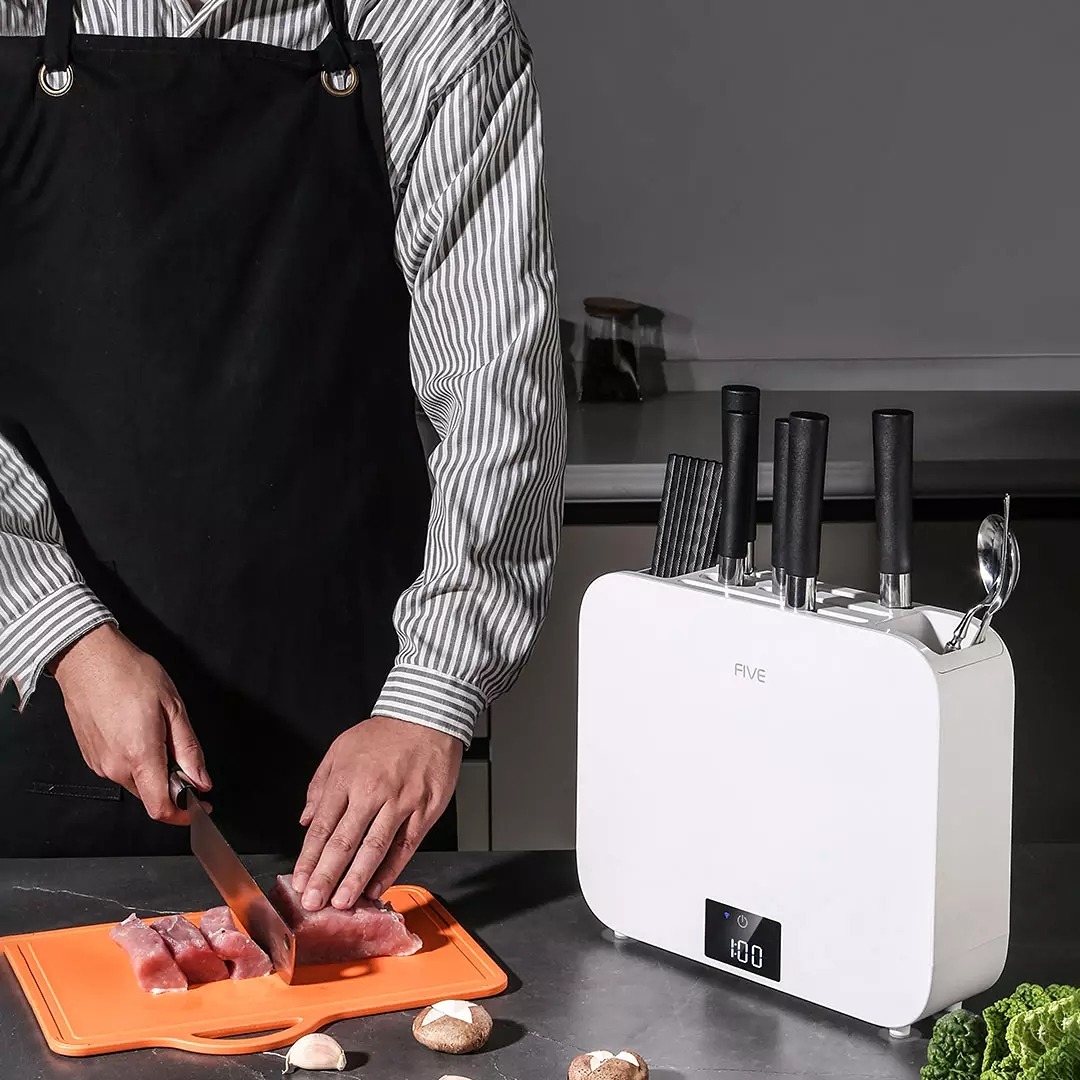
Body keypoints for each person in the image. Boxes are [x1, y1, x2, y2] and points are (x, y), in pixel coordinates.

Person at [0, 0, 564, 913]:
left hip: (355, 742)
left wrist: (431, 697)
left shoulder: (439, 27)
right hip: (44, 703)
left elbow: (498, 383)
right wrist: (60, 632)